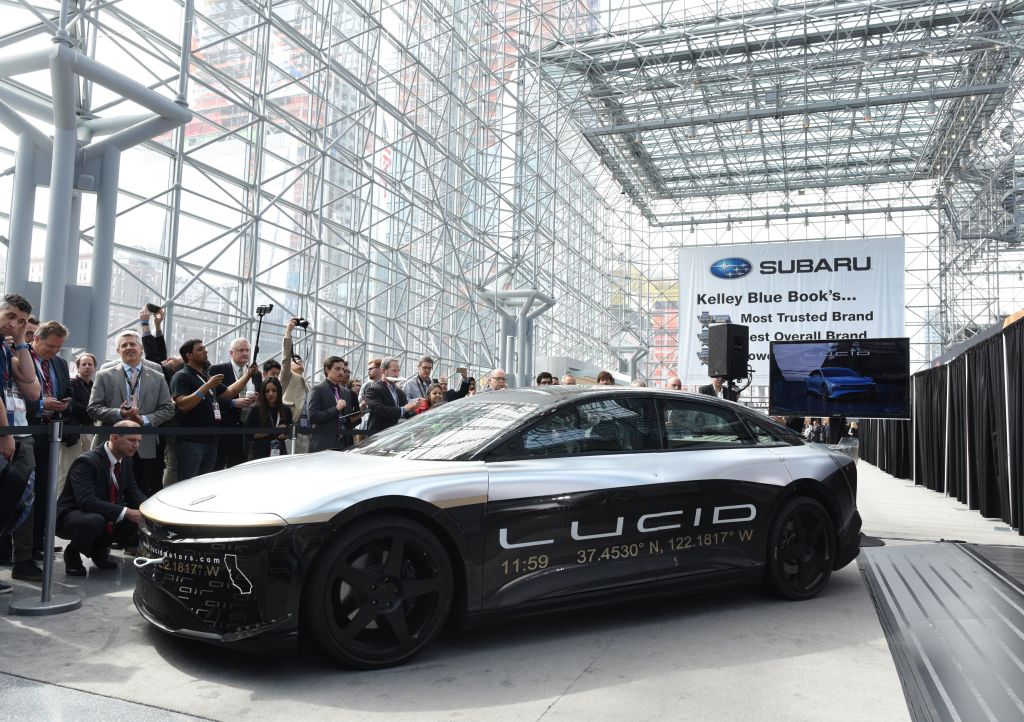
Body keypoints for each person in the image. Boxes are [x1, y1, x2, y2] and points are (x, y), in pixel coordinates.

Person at [88, 331, 175, 497]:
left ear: (141, 349)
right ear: (118, 351)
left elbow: (168, 409)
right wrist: (119, 414)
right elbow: (93, 408)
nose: (129, 348)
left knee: (143, 491)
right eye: (124, 345)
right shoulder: (104, 375)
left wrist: (144, 420)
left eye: (133, 344)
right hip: (111, 443)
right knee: (107, 491)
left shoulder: (158, 376)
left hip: (145, 444)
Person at [56, 421, 146, 576]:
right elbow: (86, 501)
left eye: (139, 441)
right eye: (132, 440)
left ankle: (99, 550)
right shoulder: (86, 462)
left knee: (138, 518)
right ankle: (72, 553)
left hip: (102, 510)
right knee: (97, 520)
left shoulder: (126, 460)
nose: (136, 445)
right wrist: (127, 512)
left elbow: (133, 492)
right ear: (114, 438)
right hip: (72, 514)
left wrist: (150, 510)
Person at [0, 294, 43, 581]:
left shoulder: (10, 351)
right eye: (10, 316)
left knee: (24, 497)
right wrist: (5, 434)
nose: (14, 324)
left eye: (22, 322)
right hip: (6, 433)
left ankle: (23, 559)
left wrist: (20, 342)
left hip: (21, 432)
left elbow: (32, 388)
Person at [170, 339, 255, 481]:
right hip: (192, 441)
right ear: (189, 355)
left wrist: (248, 375)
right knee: (189, 483)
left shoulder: (205, 376)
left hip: (211, 440)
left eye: (205, 348)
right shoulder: (182, 376)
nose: (205, 351)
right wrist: (207, 386)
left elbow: (229, 393)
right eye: (200, 349)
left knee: (205, 483)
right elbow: (183, 405)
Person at [27, 321, 73, 562]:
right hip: (25, 433)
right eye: (50, 346)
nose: (54, 352)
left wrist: (63, 406)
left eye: (58, 348)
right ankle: (17, 547)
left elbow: (69, 393)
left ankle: (38, 542)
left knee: (45, 490)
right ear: (36, 339)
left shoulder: (60, 364)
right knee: (24, 490)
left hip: (51, 435)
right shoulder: (19, 357)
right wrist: (41, 404)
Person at [208, 338, 261, 469]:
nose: (245, 353)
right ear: (231, 353)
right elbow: (210, 399)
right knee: (217, 467)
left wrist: (257, 400)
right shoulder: (217, 370)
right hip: (223, 428)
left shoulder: (256, 374)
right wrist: (232, 403)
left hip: (245, 429)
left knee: (239, 467)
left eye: (247, 350)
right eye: (240, 350)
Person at [306, 356, 360, 451]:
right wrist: (336, 408)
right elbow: (313, 417)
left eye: (343, 369)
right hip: (324, 444)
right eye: (337, 369)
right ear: (327, 369)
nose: (341, 372)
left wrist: (356, 418)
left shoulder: (346, 392)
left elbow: (347, 421)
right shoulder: (317, 389)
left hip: (344, 444)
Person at [60, 352, 98, 484]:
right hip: (73, 433)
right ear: (78, 367)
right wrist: (93, 410)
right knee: (66, 469)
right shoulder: (70, 384)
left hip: (90, 431)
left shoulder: (95, 386)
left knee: (87, 469)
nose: (87, 366)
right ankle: (60, 497)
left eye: (90, 364)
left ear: (95, 368)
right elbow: (71, 405)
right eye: (84, 364)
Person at [364, 357, 419, 436]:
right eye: (394, 370)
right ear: (383, 371)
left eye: (398, 371)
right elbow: (379, 410)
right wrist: (404, 409)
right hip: (378, 435)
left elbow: (406, 414)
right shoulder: (373, 389)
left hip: (395, 435)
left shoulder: (400, 392)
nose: (397, 374)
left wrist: (412, 409)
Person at [280, 321, 311, 452]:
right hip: (292, 431)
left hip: (307, 432)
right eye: (295, 360)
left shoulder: (308, 384)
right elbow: (286, 358)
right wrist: (288, 331)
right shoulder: (287, 378)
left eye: (300, 360)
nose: (298, 361)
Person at [245, 377, 292, 460]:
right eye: (267, 391)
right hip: (259, 454)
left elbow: (289, 433)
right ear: (263, 393)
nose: (270, 393)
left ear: (279, 392)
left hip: (279, 453)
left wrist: (284, 434)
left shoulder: (286, 410)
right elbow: (249, 434)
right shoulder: (255, 409)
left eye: (274, 390)